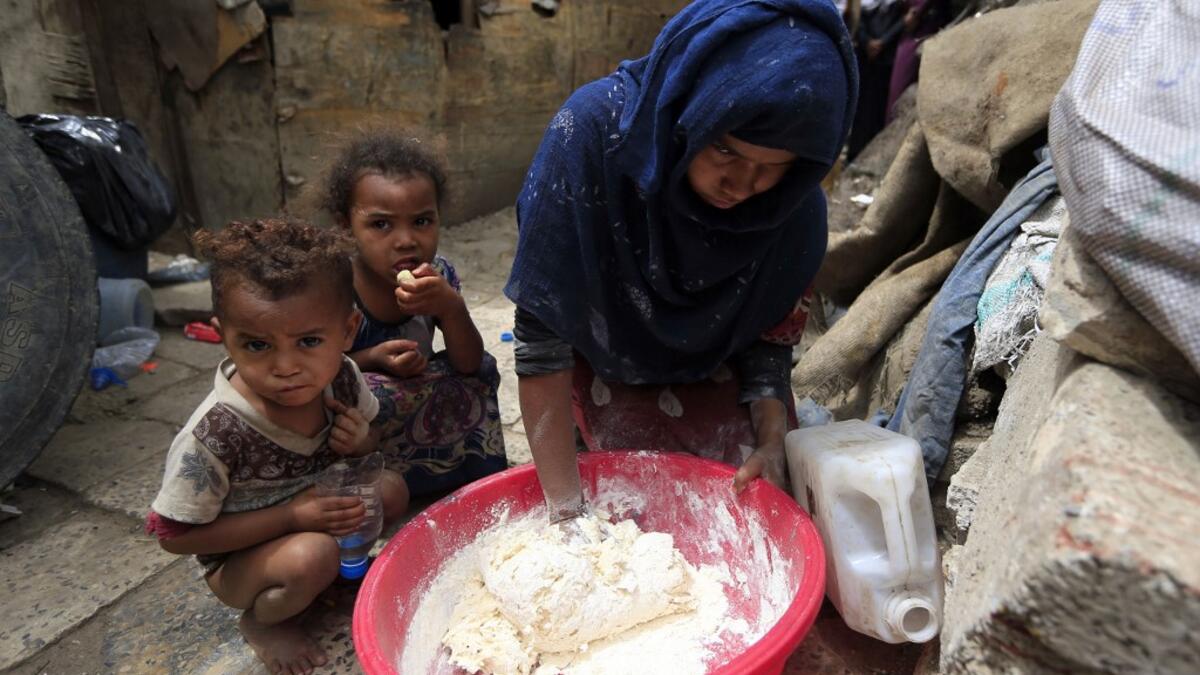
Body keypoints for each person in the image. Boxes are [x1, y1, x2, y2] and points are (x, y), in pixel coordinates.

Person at [505, 0, 857, 522]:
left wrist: (772, 442)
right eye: (725, 151)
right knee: (637, 504)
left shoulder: (794, 208)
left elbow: (770, 343)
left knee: (754, 503)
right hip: (610, 356)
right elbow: (542, 340)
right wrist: (565, 513)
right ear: (686, 118)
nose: (742, 186)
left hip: (721, 360)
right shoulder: (591, 139)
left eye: (772, 168)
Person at [144, 218, 410, 675]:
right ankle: (263, 622)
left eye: (309, 341)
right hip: (241, 560)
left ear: (348, 331)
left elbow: (372, 442)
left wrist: (361, 441)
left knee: (390, 489)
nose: (286, 367)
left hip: (315, 518)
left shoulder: (342, 376)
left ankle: (337, 576)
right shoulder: (215, 433)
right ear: (223, 336)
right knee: (312, 555)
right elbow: (177, 538)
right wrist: (291, 516)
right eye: (257, 345)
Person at [318, 130, 507, 496]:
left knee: (482, 368)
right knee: (351, 392)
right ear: (346, 226)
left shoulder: (439, 275)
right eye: (381, 224)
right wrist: (371, 358)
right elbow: (311, 368)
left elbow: (467, 363)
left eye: (421, 221)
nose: (406, 240)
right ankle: (372, 482)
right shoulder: (334, 287)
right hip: (358, 414)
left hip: (415, 394)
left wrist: (450, 307)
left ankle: (457, 470)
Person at [845, 0, 907, 160]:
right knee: (861, 109)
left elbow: (901, 24)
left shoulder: (898, 6)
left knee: (879, 109)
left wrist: (882, 43)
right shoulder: (866, 6)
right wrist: (868, 43)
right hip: (866, 59)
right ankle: (854, 154)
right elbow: (858, 21)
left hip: (886, 60)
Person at [885, 0, 951, 122]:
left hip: (924, 29)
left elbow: (912, 17)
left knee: (900, 87)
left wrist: (916, 11)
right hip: (907, 27)